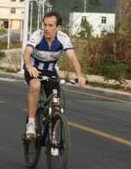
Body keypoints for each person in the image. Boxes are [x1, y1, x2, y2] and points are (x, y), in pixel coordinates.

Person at [23, 11, 86, 139]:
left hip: (51, 71)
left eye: (51, 25)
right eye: (45, 25)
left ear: (58, 27)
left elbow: (72, 57)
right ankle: (31, 123)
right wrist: (29, 66)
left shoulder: (63, 38)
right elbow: (27, 53)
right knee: (35, 85)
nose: (46, 28)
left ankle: (53, 135)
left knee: (56, 104)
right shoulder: (37, 35)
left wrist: (79, 75)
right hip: (34, 69)